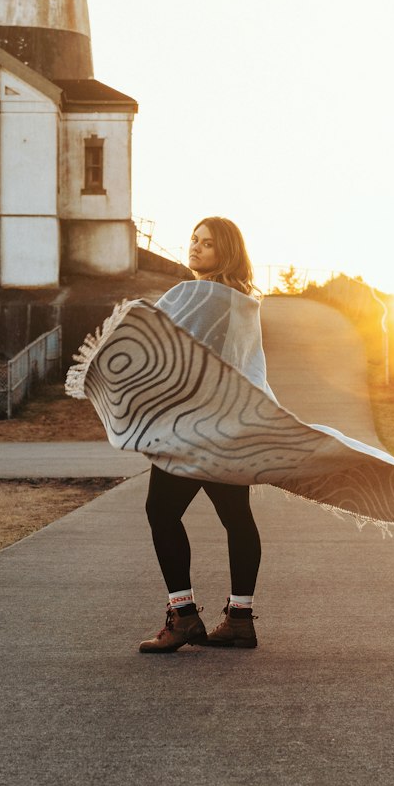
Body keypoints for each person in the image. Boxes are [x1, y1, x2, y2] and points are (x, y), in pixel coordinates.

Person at [138, 217, 265, 654]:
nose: (195, 248)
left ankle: (185, 616)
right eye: (193, 240)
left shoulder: (202, 299)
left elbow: (172, 358)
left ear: (224, 252)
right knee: (236, 518)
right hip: (229, 426)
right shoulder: (238, 300)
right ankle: (240, 619)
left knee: (161, 510)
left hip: (195, 428)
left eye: (207, 244)